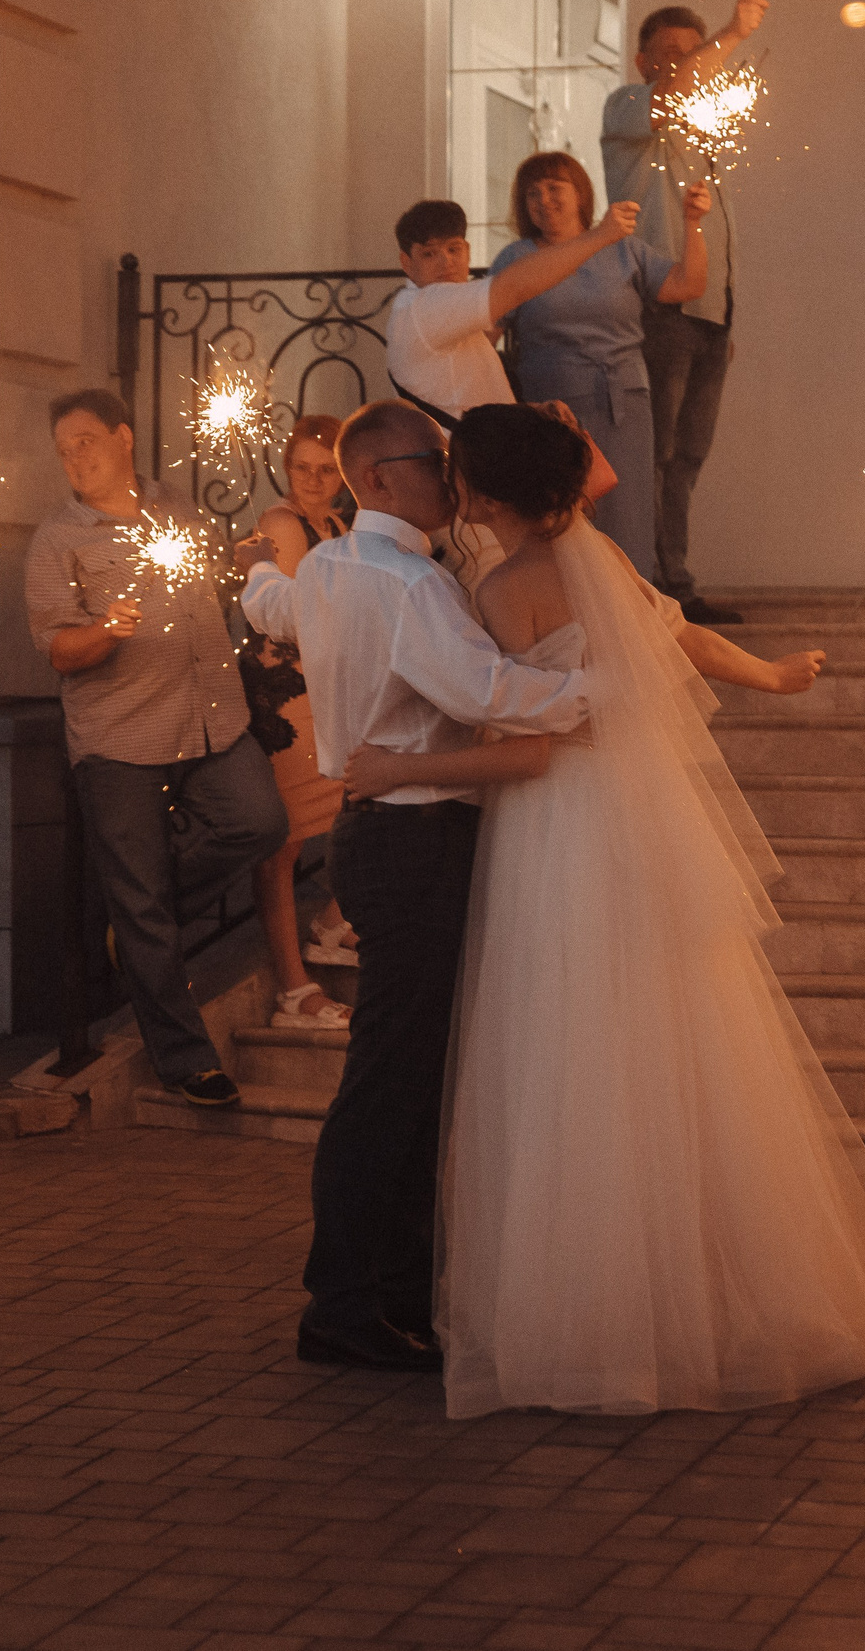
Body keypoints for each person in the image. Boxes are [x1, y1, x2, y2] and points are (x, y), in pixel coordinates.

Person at [336, 402, 865, 1415]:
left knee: (569, 1055)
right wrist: (774, 675)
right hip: (635, 823)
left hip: (554, 832)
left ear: (486, 497)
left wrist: (397, 764)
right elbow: (681, 641)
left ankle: (594, 1319)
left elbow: (531, 745)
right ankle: (715, 1294)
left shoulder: (499, 589)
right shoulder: (609, 566)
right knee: (675, 1044)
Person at [236, 399, 595, 1374]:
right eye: (431, 462)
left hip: (386, 838)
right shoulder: (406, 584)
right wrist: (601, 693)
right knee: (392, 1081)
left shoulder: (329, 568)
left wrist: (254, 571)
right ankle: (346, 1301)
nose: (452, 477)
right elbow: (485, 692)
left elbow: (269, 606)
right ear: (380, 478)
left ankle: (394, 1292)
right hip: (413, 835)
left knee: (409, 1075)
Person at [26, 389, 288, 1110]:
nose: (75, 459)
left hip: (212, 717)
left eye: (86, 442)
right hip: (119, 737)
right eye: (64, 450)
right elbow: (59, 650)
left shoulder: (175, 507)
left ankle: (138, 914)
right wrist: (106, 630)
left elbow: (205, 595)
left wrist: (239, 568)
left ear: (123, 438)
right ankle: (186, 1059)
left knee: (260, 821)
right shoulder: (58, 539)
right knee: (139, 904)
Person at [603, 0, 768, 625]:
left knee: (687, 456)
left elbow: (714, 231)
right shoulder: (626, 109)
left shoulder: (704, 134)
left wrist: (723, 317)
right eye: (673, 53)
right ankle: (650, 589)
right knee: (656, 454)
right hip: (658, 311)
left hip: (704, 318)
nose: (690, 65)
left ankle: (676, 584)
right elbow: (677, 90)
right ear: (643, 61)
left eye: (694, 52)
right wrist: (729, 32)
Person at [491, 150, 712, 582]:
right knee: (561, 522)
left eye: (555, 187)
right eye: (532, 192)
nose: (544, 199)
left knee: (627, 519)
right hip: (548, 409)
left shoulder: (624, 249)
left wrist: (692, 223)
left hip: (623, 404)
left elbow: (689, 284)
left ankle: (634, 625)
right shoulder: (515, 259)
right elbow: (485, 332)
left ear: (581, 194)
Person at [238, 417, 355, 1031]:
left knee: (354, 804)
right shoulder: (282, 524)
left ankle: (334, 922)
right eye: (302, 467)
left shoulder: (334, 525)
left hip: (324, 690)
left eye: (326, 468)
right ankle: (292, 988)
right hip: (285, 697)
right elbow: (288, 617)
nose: (313, 480)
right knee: (282, 844)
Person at [384, 195, 647, 429]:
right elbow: (515, 287)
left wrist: (527, 412)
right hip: (455, 468)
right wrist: (599, 235)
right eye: (429, 254)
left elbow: (461, 396)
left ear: (467, 251)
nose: (446, 262)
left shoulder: (427, 307)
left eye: (454, 249)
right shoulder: (426, 305)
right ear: (406, 263)